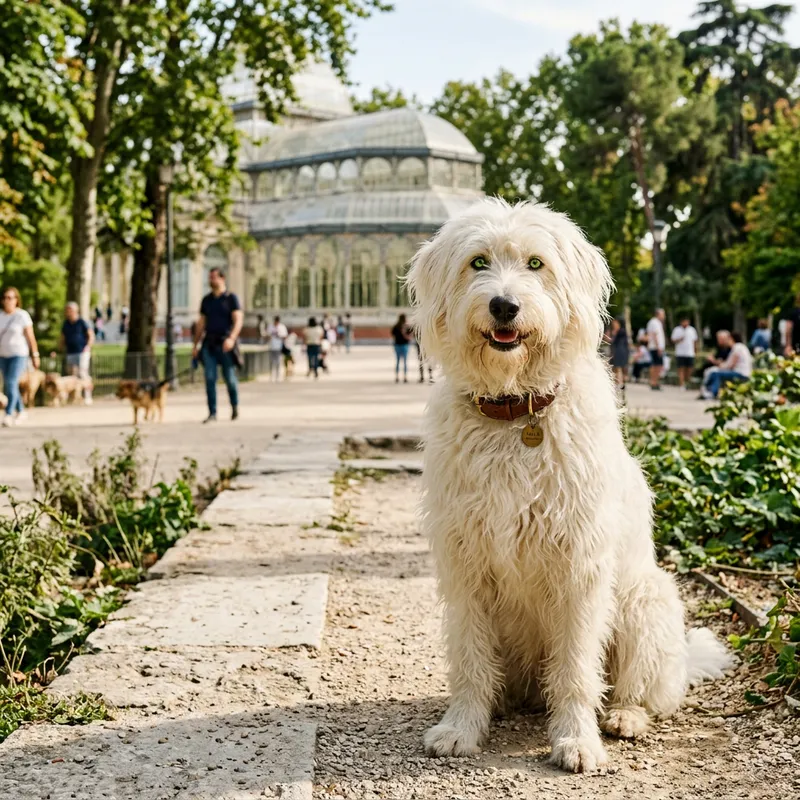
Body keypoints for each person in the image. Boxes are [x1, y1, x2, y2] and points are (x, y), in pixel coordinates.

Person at [192, 267, 243, 423]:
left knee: (230, 378)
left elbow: (238, 320)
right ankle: (212, 412)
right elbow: (201, 323)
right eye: (210, 277)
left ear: (222, 279)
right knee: (209, 377)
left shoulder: (231, 299)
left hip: (226, 343)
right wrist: (195, 345)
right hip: (210, 343)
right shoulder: (206, 300)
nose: (211, 280)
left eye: (214, 277)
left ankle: (234, 407)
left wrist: (232, 338)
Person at [0, 287, 40, 426]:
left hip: (19, 354)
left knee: (11, 382)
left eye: (10, 298)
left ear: (16, 300)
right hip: (3, 355)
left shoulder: (22, 315)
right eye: (5, 297)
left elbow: (30, 337)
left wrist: (35, 354)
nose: (7, 300)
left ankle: (9, 413)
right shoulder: (0, 316)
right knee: (9, 385)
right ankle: (21, 411)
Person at [60, 301, 94, 405]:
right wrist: (60, 348)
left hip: (82, 351)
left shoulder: (82, 322)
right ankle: (75, 396)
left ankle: (88, 396)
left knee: (83, 374)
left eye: (70, 310)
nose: (68, 312)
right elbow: (62, 337)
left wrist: (88, 346)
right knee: (72, 375)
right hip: (70, 352)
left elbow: (90, 334)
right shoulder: (66, 323)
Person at [704, 331, 753, 398]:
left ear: (732, 339)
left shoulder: (737, 347)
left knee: (715, 374)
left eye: (728, 339)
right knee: (714, 372)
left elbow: (730, 365)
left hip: (741, 374)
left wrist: (717, 364)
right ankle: (708, 391)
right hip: (741, 373)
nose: (726, 342)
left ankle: (712, 393)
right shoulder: (740, 347)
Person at [671, 316, 698, 390]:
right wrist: (679, 339)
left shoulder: (692, 330)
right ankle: (682, 384)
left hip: (690, 353)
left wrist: (695, 351)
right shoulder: (677, 330)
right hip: (680, 353)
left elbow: (695, 341)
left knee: (689, 369)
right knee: (681, 369)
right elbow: (673, 340)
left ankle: (687, 382)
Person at [606, 317, 629, 393]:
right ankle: (617, 383)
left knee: (619, 368)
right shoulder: (616, 331)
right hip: (616, 351)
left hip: (619, 352)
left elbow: (614, 341)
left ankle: (620, 383)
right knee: (616, 368)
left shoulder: (621, 331)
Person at [646, 308, 666, 391]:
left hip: (656, 347)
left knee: (657, 365)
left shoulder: (655, 322)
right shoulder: (655, 322)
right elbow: (655, 335)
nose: (664, 316)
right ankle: (654, 382)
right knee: (656, 365)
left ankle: (654, 382)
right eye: (663, 314)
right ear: (658, 314)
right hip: (656, 347)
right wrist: (659, 347)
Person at [391, 313, 411, 383]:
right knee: (405, 362)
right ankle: (405, 377)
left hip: (397, 345)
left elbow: (393, 335)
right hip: (405, 345)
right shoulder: (406, 326)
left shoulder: (395, 326)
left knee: (397, 361)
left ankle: (397, 377)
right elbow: (410, 336)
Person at [267, 315, 287, 382]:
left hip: (278, 346)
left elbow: (285, 336)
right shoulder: (270, 326)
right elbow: (268, 335)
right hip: (271, 346)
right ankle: (271, 375)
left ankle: (277, 376)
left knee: (278, 361)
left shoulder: (281, 327)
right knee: (271, 361)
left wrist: (279, 335)